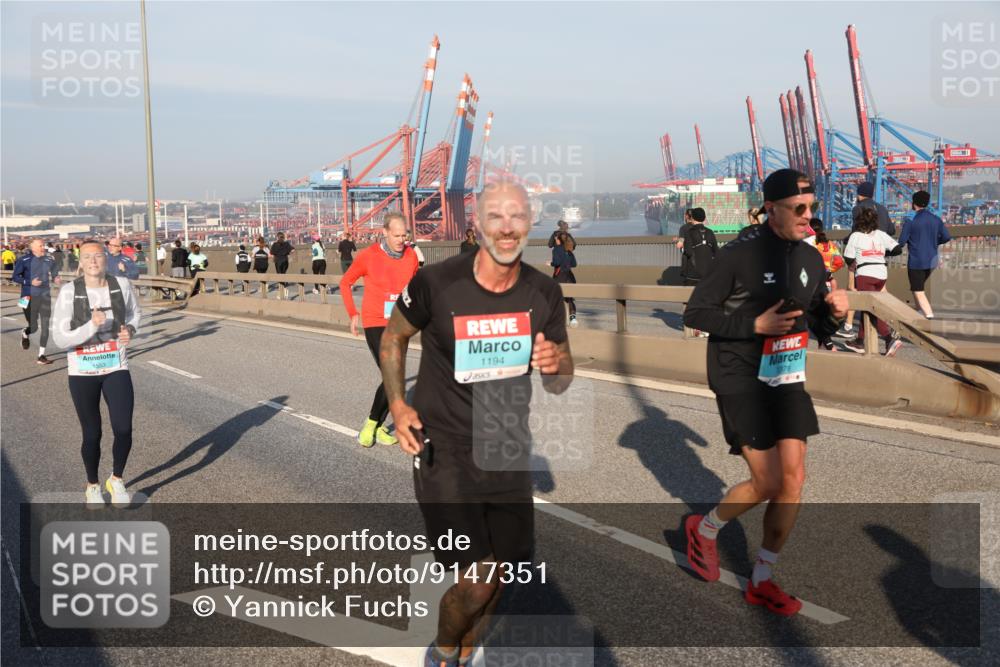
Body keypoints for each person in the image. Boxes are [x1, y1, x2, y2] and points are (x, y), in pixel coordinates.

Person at [382, 180, 573, 666]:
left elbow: (561, 377)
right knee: (480, 575)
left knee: (501, 572)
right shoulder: (437, 283)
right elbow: (393, 338)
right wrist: (398, 405)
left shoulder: (544, 292)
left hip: (506, 447)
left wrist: (555, 365)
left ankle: (464, 654)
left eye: (516, 217)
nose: (506, 228)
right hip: (442, 447)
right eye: (495, 216)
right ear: (477, 224)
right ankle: (443, 650)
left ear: (530, 223)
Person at [682, 169, 848, 617]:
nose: (808, 217)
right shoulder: (738, 255)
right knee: (769, 481)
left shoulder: (812, 259)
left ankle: (761, 580)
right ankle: (707, 529)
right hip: (738, 374)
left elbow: (814, 322)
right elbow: (695, 312)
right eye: (799, 208)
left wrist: (835, 314)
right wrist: (751, 325)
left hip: (786, 373)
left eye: (812, 208)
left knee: (793, 480)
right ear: (770, 208)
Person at [50, 239, 141, 507]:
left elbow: (136, 314)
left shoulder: (121, 285)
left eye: (98, 256)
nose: (93, 261)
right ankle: (92, 484)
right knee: (92, 434)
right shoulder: (70, 291)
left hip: (115, 365)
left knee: (123, 428)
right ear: (80, 261)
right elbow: (60, 338)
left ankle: (117, 478)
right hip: (82, 370)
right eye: (87, 256)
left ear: (106, 259)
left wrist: (131, 331)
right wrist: (92, 325)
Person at [340, 213, 419, 447]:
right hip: (375, 321)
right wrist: (352, 312)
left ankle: (378, 424)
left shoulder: (411, 256)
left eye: (404, 235)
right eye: (396, 235)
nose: (401, 240)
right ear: (384, 232)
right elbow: (346, 283)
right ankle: (371, 423)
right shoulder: (368, 256)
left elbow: (415, 289)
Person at [840, 208, 903, 356]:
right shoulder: (881, 234)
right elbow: (898, 249)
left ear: (859, 221)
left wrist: (858, 259)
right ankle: (860, 342)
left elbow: (848, 257)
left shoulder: (855, 236)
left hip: (865, 274)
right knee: (867, 308)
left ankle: (889, 339)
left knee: (871, 310)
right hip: (881, 273)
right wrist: (880, 254)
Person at [897, 190, 951, 319]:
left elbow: (902, 241)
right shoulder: (936, 219)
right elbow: (947, 236)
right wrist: (935, 242)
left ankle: (929, 316)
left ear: (914, 203)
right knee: (917, 287)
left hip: (916, 261)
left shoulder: (911, 219)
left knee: (918, 290)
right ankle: (919, 314)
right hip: (932, 260)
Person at [11, 238, 62, 364]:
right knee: (33, 327)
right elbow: (15, 277)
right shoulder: (24, 260)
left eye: (43, 245)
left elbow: (54, 269)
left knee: (45, 325)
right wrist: (30, 282)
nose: (43, 247)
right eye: (40, 246)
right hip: (27, 296)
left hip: (44, 295)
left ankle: (41, 356)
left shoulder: (49, 259)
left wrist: (55, 276)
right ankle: (25, 332)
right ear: (33, 248)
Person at [809, 218, 844, 352]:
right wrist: (830, 270)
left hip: (816, 283)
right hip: (829, 281)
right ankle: (823, 346)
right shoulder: (830, 245)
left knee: (816, 317)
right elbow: (840, 261)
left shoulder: (811, 244)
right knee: (822, 315)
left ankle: (829, 345)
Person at [678, 207, 718, 286]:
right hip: (707, 274)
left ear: (692, 218)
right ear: (704, 218)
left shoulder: (689, 232)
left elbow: (688, 252)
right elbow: (716, 252)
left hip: (692, 274)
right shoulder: (710, 232)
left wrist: (682, 248)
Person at [551, 230, 579, 327]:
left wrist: (550, 263)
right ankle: (573, 319)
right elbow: (574, 264)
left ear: (558, 239)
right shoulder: (569, 249)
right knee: (570, 299)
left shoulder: (556, 249)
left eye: (555, 238)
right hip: (570, 277)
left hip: (559, 276)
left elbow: (557, 262)